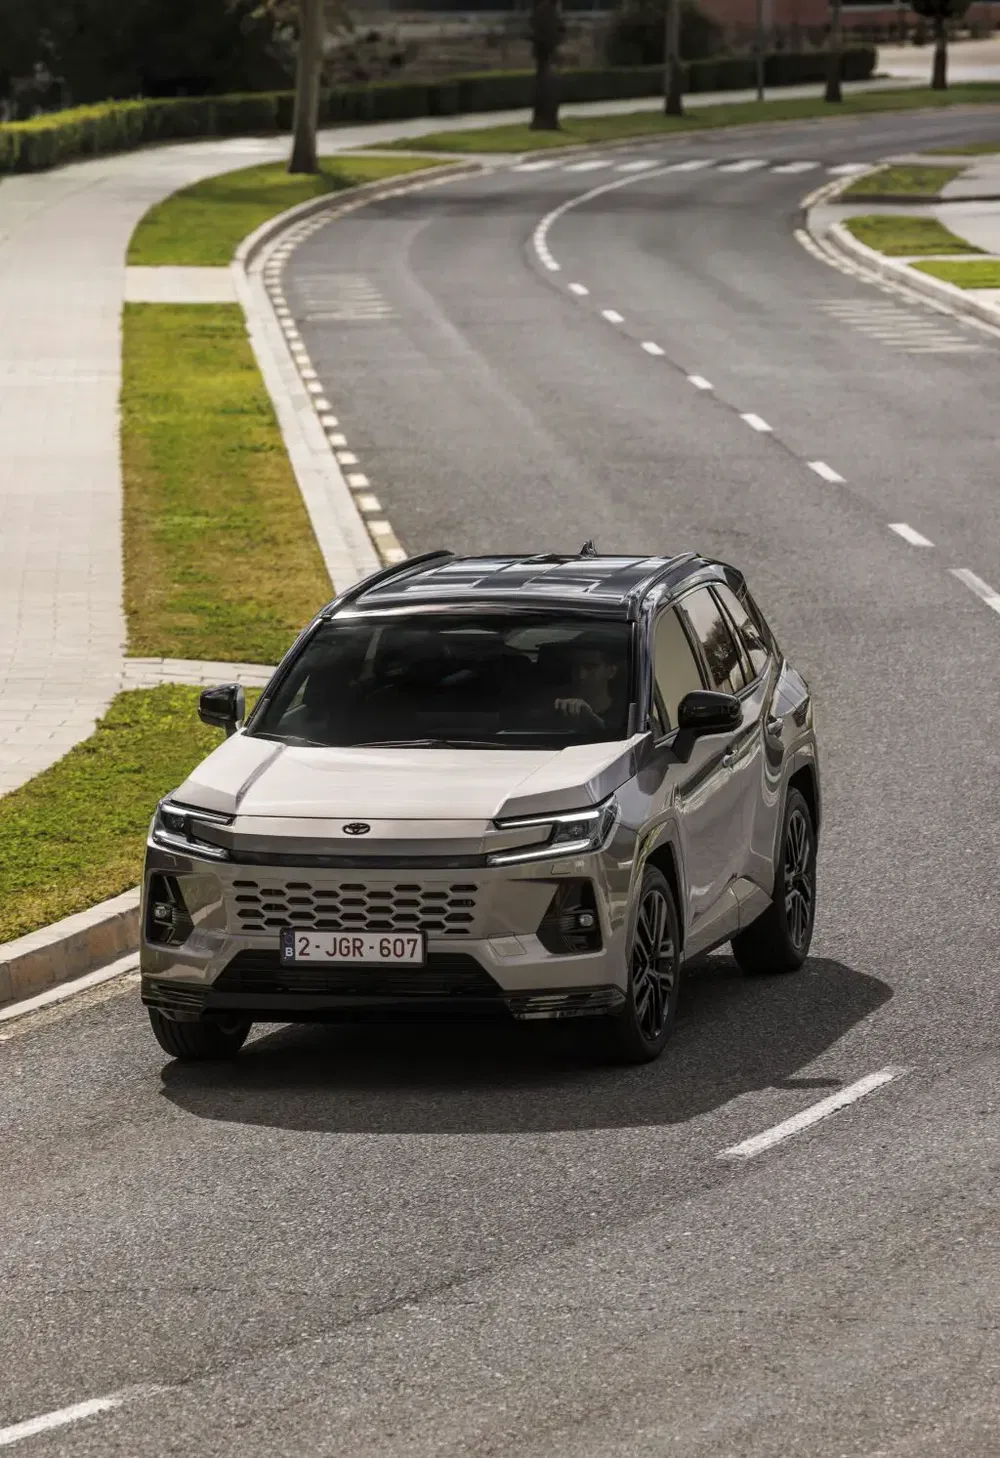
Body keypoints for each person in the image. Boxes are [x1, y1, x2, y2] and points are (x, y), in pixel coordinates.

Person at [553, 631, 626, 729]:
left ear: (611, 671)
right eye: (575, 666)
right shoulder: (555, 708)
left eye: (591, 667)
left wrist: (594, 721)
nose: (581, 675)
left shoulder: (627, 716)